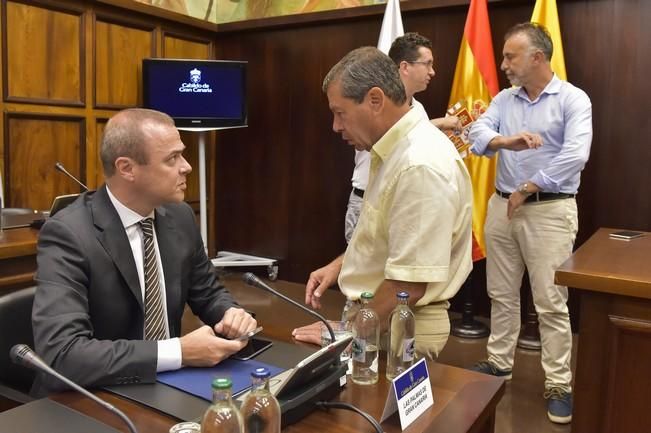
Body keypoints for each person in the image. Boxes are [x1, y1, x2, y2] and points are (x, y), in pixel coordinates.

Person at [31, 108, 257, 397]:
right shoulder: (68, 234)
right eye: (172, 158)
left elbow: (208, 292)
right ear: (127, 168)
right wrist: (180, 351)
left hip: (168, 386)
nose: (186, 167)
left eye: (182, 155)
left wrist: (230, 313)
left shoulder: (180, 216)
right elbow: (63, 354)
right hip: (90, 397)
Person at [292, 47, 473, 359]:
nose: (336, 126)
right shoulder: (394, 149)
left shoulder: (419, 163)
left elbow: (408, 286)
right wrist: (341, 265)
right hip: (378, 319)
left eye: (340, 112)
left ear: (375, 100)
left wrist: (349, 332)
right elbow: (388, 235)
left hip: (396, 325)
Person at [468, 23, 592, 424]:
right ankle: (498, 363)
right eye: (502, 56)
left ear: (537, 57)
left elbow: (576, 155)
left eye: (511, 56)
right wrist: (506, 141)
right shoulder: (505, 99)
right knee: (501, 293)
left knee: (550, 302)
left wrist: (529, 185)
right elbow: (477, 134)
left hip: (549, 211)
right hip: (503, 208)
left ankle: (558, 384)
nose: (504, 64)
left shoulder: (573, 99)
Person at [344, 32, 462, 243]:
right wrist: (440, 123)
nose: (433, 72)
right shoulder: (374, 102)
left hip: (400, 200)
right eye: (427, 64)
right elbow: (387, 138)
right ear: (405, 67)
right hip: (368, 200)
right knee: (363, 273)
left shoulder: (419, 109)